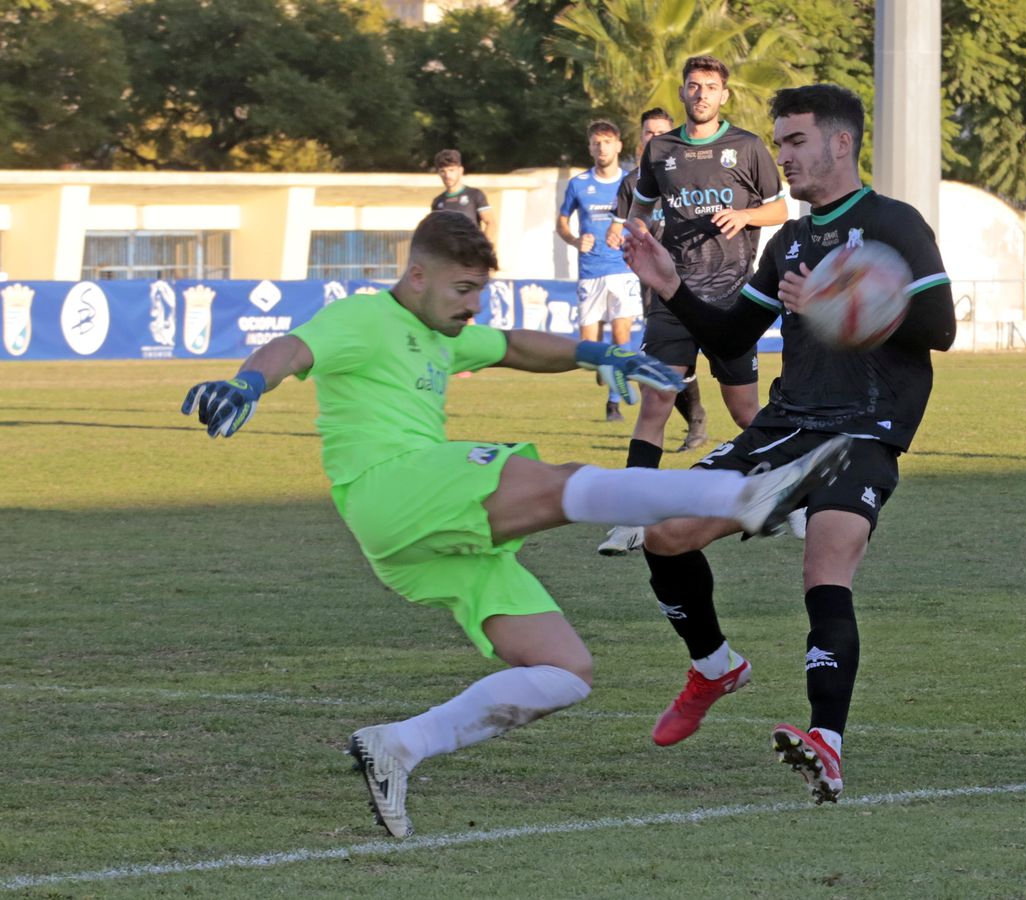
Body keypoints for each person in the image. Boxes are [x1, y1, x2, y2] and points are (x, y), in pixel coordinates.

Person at [178, 211, 849, 838]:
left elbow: (513, 347)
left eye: (479, 290)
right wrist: (246, 386)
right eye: (462, 288)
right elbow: (291, 349)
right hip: (392, 487)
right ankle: (743, 499)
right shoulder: (361, 319)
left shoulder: (442, 330)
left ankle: (397, 747)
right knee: (558, 482)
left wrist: (600, 357)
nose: (471, 304)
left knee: (564, 669)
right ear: (417, 276)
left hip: (418, 538)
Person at [620, 83, 956, 803]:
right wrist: (673, 287)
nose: (784, 157)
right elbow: (732, 338)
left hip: (864, 429)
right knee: (663, 533)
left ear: (841, 143)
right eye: (780, 143)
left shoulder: (896, 223)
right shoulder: (790, 240)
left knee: (826, 560)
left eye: (796, 142)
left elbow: (942, 330)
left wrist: (850, 305)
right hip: (785, 425)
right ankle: (713, 665)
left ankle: (825, 744)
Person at [597, 56, 789, 557]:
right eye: (694, 86)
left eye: (711, 87)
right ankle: (632, 518)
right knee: (656, 401)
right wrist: (636, 236)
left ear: (724, 95)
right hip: (673, 297)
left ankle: (795, 496)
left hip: (732, 299)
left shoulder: (747, 147)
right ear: (682, 93)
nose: (702, 93)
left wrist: (745, 214)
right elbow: (639, 208)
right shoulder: (660, 150)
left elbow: (781, 208)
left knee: (746, 411)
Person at [612, 107, 709, 454]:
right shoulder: (630, 183)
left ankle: (696, 418)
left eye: (661, 132)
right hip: (652, 282)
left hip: (696, 276)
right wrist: (620, 233)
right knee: (668, 361)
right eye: (648, 133)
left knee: (688, 361)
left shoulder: (692, 170)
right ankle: (694, 418)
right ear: (640, 138)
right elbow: (623, 223)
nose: (654, 139)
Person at [558, 121, 644, 422]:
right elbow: (562, 222)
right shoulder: (579, 183)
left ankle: (614, 402)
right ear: (590, 147)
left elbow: (645, 218)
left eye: (608, 141)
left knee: (621, 335)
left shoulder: (631, 181)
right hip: (590, 271)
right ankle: (604, 367)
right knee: (589, 351)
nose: (602, 147)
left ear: (618, 145)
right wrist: (573, 239)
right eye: (596, 142)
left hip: (622, 270)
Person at [431, 149, 494, 234]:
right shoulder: (437, 202)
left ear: (460, 170)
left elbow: (491, 223)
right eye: (443, 171)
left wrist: (482, 246)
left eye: (451, 170)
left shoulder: (475, 195)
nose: (447, 175)